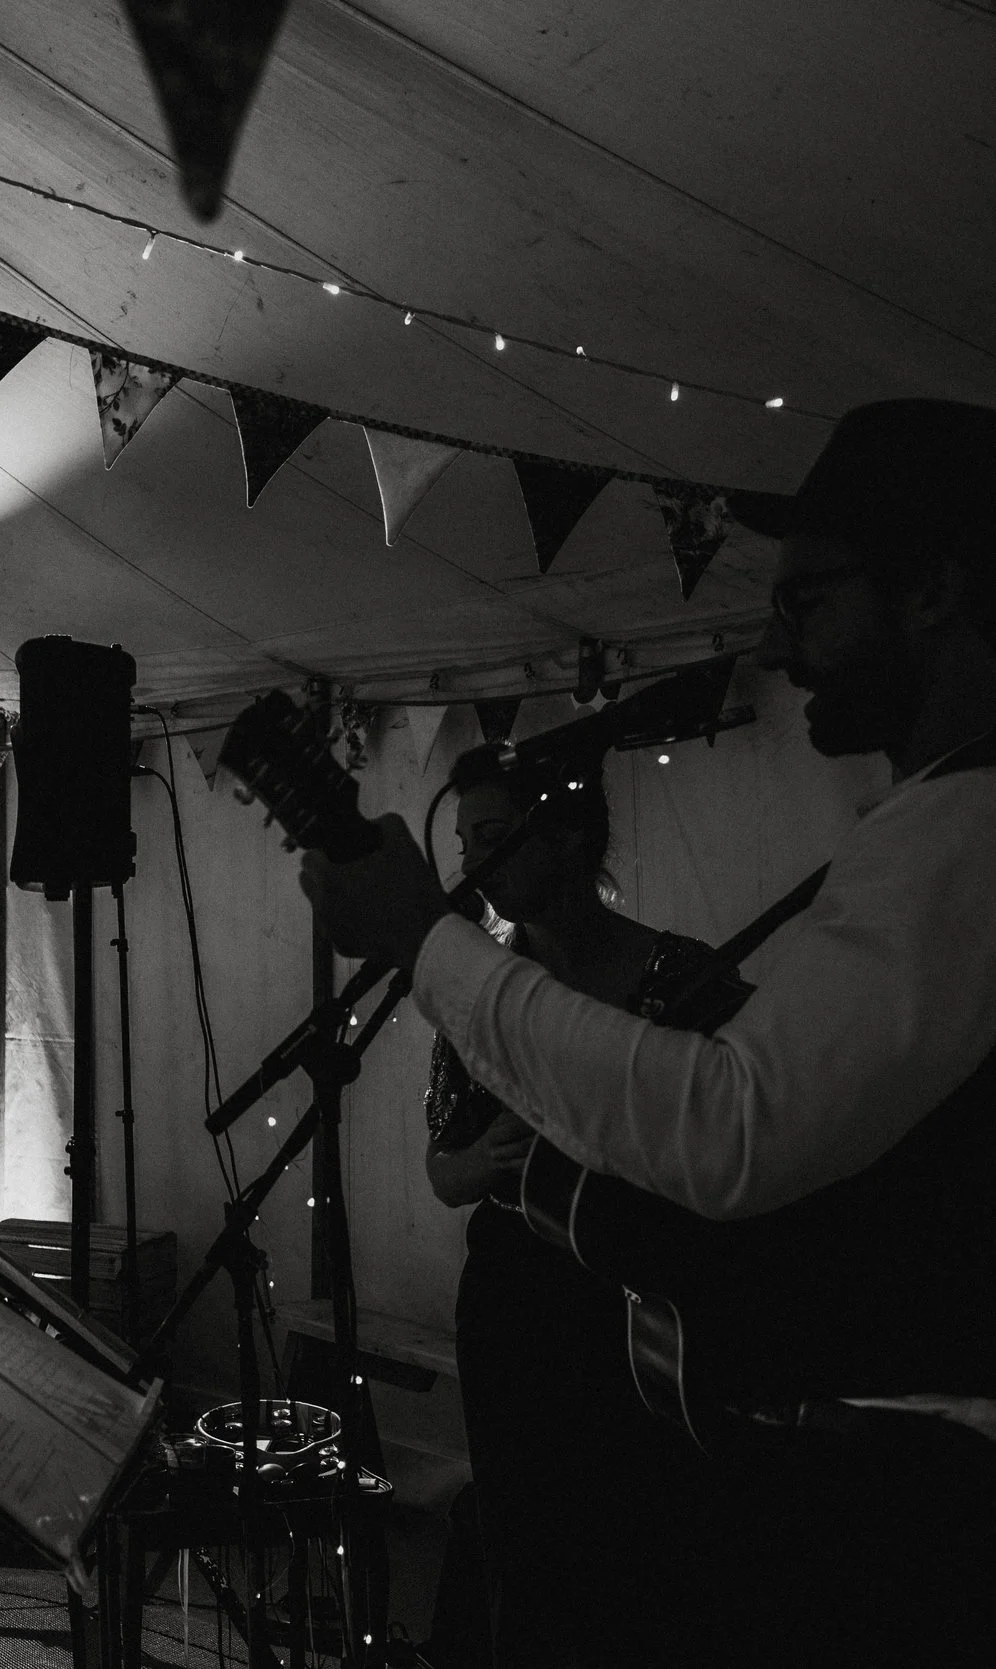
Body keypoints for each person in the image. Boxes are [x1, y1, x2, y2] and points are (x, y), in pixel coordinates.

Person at [302, 399, 996, 1662]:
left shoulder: (968, 830)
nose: (779, 650)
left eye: (811, 603)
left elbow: (730, 1129)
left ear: (937, 591)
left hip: (921, 1517)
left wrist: (423, 940)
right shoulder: (937, 818)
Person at [418, 746, 732, 1666]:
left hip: (646, 1308)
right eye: (467, 841)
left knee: (644, 1545)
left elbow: (735, 1134)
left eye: (495, 837)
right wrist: (480, 1159)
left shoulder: (681, 975)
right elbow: (441, 1169)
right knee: (530, 1543)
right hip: (519, 1307)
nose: (475, 863)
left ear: (566, 834)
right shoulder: (478, 995)